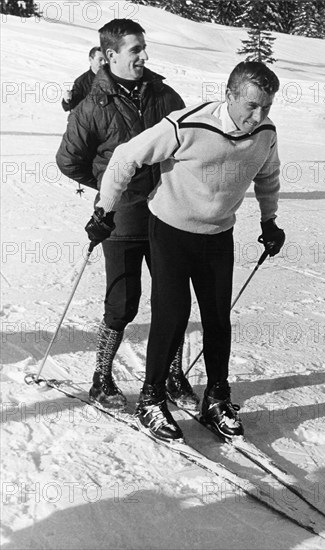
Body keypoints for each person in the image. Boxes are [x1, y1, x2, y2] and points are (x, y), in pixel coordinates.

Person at [86, 61, 286, 442]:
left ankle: (216, 396)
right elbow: (127, 156)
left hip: (217, 233)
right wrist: (104, 209)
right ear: (229, 95)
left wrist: (269, 222)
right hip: (172, 230)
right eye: (251, 105)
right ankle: (150, 398)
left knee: (217, 319)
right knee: (172, 315)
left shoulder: (265, 133)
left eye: (266, 107)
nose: (257, 116)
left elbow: (268, 176)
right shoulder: (187, 124)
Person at [56, 19, 199, 413]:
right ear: (111, 54)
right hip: (121, 219)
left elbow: (187, 142)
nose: (144, 56)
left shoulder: (164, 95)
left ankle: (171, 374)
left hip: (168, 213)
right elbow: (69, 161)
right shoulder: (90, 107)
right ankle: (101, 377)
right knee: (122, 304)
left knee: (173, 300)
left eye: (144, 47)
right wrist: (109, 185)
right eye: (135, 49)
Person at [61, 46, 106, 112]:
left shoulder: (113, 76)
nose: (104, 63)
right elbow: (73, 105)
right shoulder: (81, 82)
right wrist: (67, 100)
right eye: (100, 60)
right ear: (90, 60)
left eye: (105, 60)